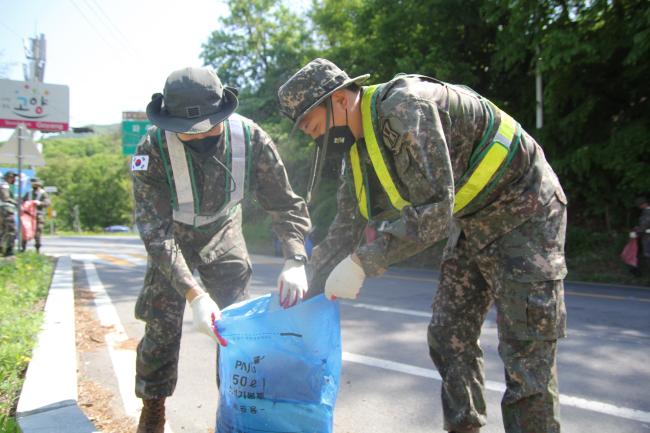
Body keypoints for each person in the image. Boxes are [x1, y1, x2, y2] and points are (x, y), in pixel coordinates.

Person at [278, 58, 568, 433]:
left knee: (526, 354)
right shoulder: (358, 149)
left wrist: (364, 262)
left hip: (525, 211)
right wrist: (302, 286)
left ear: (337, 100)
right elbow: (345, 227)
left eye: (310, 124)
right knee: (449, 334)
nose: (311, 136)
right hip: (473, 220)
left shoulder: (404, 106)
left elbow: (432, 213)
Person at [132, 67, 311, 433]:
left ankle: (232, 413)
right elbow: (155, 231)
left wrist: (295, 257)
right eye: (187, 128)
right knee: (161, 326)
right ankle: (153, 408)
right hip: (173, 237)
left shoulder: (251, 138)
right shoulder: (151, 148)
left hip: (223, 230)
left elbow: (285, 204)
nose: (200, 135)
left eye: (209, 125)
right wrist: (194, 294)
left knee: (234, 329)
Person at [21, 177, 50, 253]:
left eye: (36, 183)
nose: (34, 185)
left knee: (38, 231)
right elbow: (22, 201)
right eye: (33, 184)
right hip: (28, 216)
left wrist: (40, 203)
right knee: (25, 231)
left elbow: (47, 203)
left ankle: (37, 249)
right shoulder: (28, 193)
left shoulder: (43, 193)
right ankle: (23, 248)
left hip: (38, 215)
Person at [0, 171, 17, 257]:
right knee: (11, 230)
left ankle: (2, 248)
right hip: (6, 210)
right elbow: (5, 198)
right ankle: (9, 250)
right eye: (13, 178)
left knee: (3, 230)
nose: (14, 180)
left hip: (4, 210)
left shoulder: (4, 185)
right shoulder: (4, 185)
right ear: (9, 177)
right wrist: (16, 203)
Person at [634, 197, 650, 274]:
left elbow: (644, 225)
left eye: (640, 205)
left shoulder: (648, 212)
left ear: (644, 204)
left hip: (648, 237)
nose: (639, 207)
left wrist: (636, 232)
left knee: (648, 255)